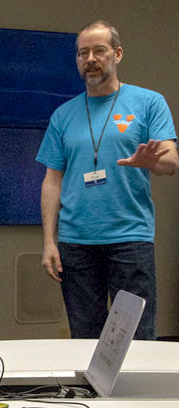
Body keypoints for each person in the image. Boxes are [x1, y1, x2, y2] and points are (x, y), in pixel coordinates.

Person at [38, 20, 179, 340]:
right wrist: (49, 241)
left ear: (117, 54)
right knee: (85, 336)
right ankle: (91, 392)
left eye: (99, 50)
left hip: (130, 237)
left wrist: (154, 161)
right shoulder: (63, 115)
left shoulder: (149, 102)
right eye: (82, 53)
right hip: (76, 243)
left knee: (137, 336)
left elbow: (171, 161)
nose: (90, 59)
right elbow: (51, 181)